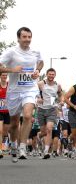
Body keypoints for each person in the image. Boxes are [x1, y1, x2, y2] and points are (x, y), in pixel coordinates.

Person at [0, 27, 44, 162]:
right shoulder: (11, 52)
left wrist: (37, 70)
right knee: (13, 123)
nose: (27, 40)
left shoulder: (35, 52)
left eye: (29, 37)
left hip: (29, 89)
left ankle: (22, 146)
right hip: (14, 91)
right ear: (18, 38)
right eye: (24, 37)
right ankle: (13, 145)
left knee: (27, 115)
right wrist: (12, 70)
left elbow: (41, 62)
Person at [36, 68, 63, 159]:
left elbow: (60, 95)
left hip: (52, 109)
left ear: (55, 75)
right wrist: (37, 99)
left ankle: (46, 151)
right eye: (50, 74)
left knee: (49, 129)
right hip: (41, 109)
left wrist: (61, 101)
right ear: (47, 75)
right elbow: (33, 93)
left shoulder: (57, 85)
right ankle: (39, 135)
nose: (51, 76)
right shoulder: (41, 83)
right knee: (43, 131)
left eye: (53, 74)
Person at [0, 73, 9, 159]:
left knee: (5, 132)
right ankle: (0, 150)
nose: (4, 77)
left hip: (8, 112)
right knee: (0, 130)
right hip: (0, 111)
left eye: (6, 75)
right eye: (3, 75)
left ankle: (3, 147)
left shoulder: (9, 85)